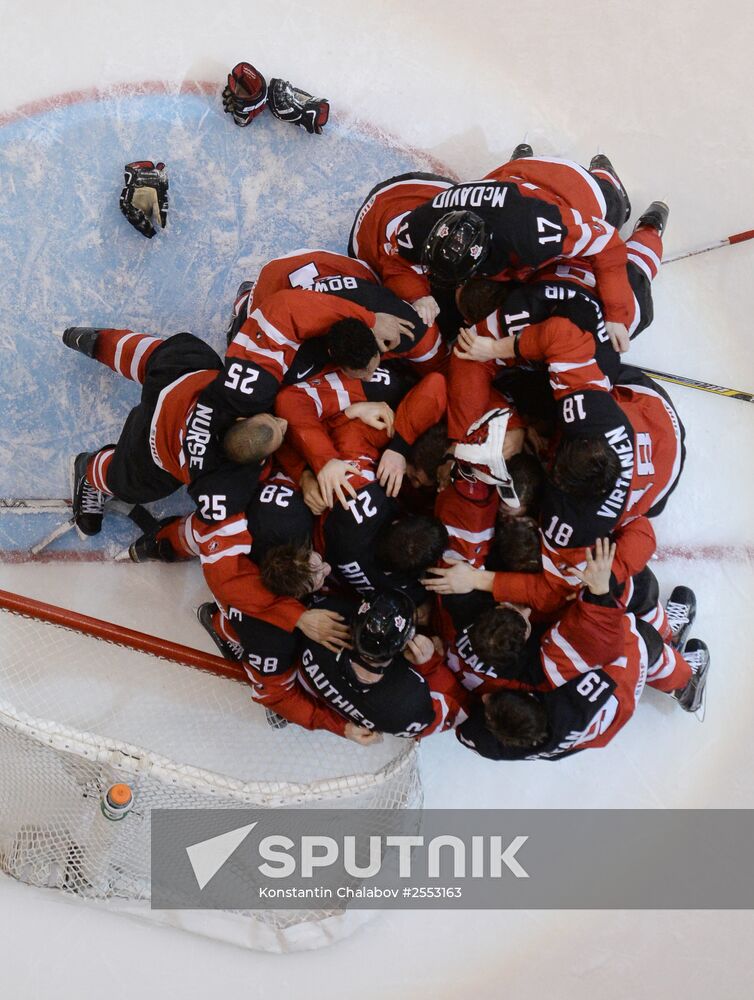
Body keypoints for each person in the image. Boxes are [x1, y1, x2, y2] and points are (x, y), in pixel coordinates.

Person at [455, 539, 711, 761]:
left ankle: (665, 637)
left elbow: (468, 731)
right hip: (611, 698)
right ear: (530, 695)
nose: (486, 698)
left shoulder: (483, 737)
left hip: (564, 724)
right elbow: (604, 641)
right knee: (635, 634)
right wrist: (598, 593)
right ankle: (685, 683)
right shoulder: (555, 682)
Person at [389, 154, 637, 353]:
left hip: (564, 183)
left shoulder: (530, 234)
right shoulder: (424, 223)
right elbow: (395, 257)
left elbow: (606, 241)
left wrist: (616, 313)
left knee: (615, 213)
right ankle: (519, 159)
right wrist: (417, 294)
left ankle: (605, 177)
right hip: (509, 179)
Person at [62, 326, 285, 537]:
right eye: (277, 422)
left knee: (169, 356)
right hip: (150, 447)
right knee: (127, 482)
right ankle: (88, 471)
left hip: (175, 384)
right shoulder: (223, 481)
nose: (284, 422)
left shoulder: (246, 395)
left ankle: (98, 342)